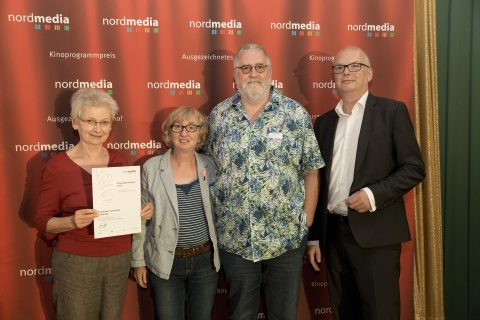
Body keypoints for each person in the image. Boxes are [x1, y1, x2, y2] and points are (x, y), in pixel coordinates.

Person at [206, 43, 324, 320]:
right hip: (236, 238)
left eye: (260, 67)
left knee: (283, 314)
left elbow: (311, 171)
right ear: (234, 75)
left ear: (270, 71)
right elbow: (207, 168)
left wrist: (306, 220)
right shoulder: (219, 116)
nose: (253, 74)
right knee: (240, 314)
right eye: (245, 68)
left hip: (287, 238)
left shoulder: (294, 114)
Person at [306, 46, 426, 320]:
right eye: (339, 67)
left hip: (377, 235)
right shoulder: (323, 123)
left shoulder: (391, 112)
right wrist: (313, 236)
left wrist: (372, 195)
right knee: (343, 312)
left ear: (369, 73)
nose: (346, 72)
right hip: (333, 237)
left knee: (379, 313)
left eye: (354, 66)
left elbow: (414, 168)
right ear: (333, 76)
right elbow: (316, 181)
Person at [33, 88, 153, 320]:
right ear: (75, 123)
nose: (98, 129)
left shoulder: (119, 160)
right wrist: (71, 221)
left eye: (104, 122)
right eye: (90, 121)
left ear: (111, 125)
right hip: (77, 262)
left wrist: (142, 211)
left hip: (119, 258)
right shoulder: (57, 167)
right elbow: (41, 221)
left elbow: (126, 208)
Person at [131, 107, 220, 320]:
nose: (184, 133)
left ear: (201, 134)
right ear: (168, 133)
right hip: (166, 261)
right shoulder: (151, 168)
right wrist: (138, 261)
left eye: (192, 127)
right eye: (177, 127)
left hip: (205, 262)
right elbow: (140, 219)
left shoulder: (211, 165)